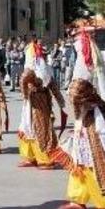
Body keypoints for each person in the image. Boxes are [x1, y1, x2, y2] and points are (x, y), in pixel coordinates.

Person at [52, 30, 105, 209]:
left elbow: (76, 91)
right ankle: (78, 198)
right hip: (88, 118)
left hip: (92, 121)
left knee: (94, 159)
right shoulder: (95, 63)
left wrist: (78, 103)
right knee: (79, 158)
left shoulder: (85, 63)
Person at [17, 39, 65, 169]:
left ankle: (44, 158)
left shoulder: (31, 70)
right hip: (38, 101)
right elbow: (53, 87)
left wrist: (25, 94)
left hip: (35, 102)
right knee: (30, 127)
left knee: (38, 128)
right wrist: (61, 102)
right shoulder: (45, 68)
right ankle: (31, 156)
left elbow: (22, 81)